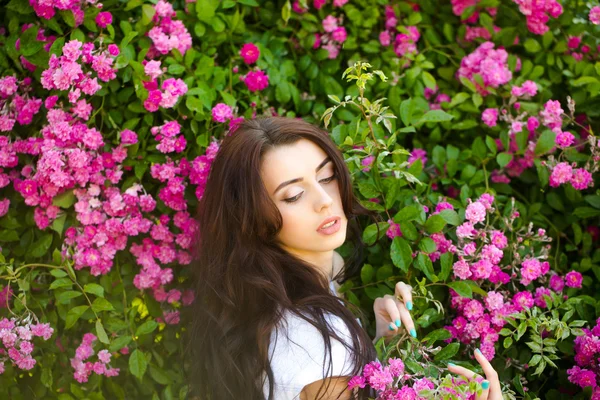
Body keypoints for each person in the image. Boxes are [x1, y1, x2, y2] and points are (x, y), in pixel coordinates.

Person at [184, 117, 502, 400]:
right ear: (254, 221)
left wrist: (379, 342)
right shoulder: (319, 347)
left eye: (327, 176)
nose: (324, 201)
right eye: (293, 195)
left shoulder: (279, 295)